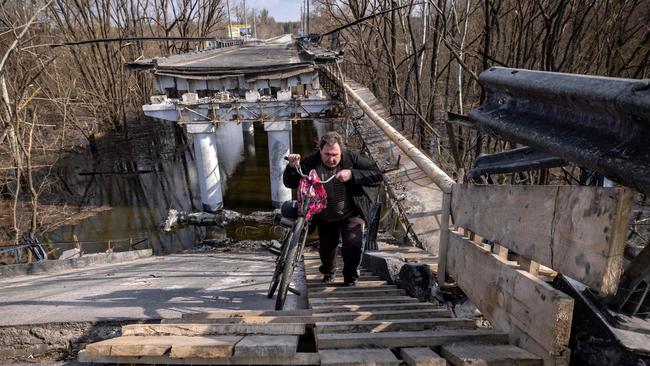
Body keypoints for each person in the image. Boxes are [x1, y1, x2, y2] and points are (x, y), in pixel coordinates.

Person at [283, 131, 382, 286]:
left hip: (351, 212)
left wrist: (352, 174)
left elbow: (377, 175)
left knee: (353, 245)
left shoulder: (351, 159)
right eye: (327, 154)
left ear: (341, 151)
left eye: (335, 154)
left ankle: (350, 276)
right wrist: (291, 166)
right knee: (327, 250)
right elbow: (290, 183)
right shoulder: (311, 162)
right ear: (320, 151)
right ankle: (329, 271)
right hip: (324, 215)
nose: (331, 159)